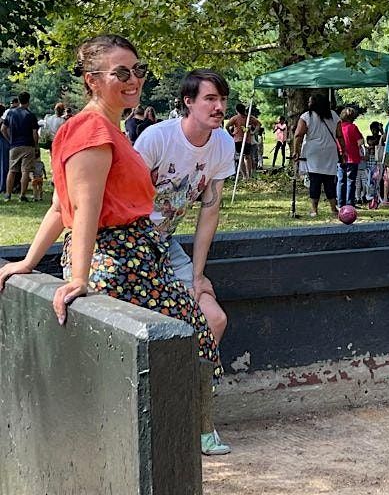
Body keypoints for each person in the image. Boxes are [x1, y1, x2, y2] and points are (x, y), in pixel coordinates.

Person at [0, 35, 222, 395]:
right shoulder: (93, 130)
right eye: (121, 72)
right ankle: (188, 434)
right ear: (92, 79)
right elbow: (81, 208)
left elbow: (60, 206)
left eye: (138, 70)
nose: (133, 80)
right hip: (121, 262)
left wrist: (28, 261)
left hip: (133, 259)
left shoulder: (101, 128)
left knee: (190, 337)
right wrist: (78, 279)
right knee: (189, 340)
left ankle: (189, 433)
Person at [134, 68, 235, 456]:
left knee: (215, 318)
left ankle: (198, 422)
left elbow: (209, 213)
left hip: (166, 244)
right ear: (188, 102)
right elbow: (121, 200)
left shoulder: (222, 144)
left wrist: (196, 275)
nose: (219, 107)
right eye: (210, 99)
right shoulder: (157, 138)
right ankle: (158, 422)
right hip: (130, 243)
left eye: (222, 100)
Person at [293, 94, 340, 217]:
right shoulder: (334, 115)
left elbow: (298, 135)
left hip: (313, 151)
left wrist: (296, 150)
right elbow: (339, 135)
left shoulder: (307, 116)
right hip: (330, 151)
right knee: (330, 180)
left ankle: (314, 209)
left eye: (309, 101)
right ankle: (333, 208)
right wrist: (343, 151)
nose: (308, 103)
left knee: (315, 180)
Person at [1, 92, 40, 201]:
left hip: (14, 145)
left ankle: (8, 194)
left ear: (18, 100)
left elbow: (3, 129)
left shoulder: (11, 113)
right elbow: (34, 133)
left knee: (12, 170)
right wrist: (36, 146)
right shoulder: (30, 115)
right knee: (25, 171)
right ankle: (22, 195)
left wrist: (10, 140)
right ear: (28, 101)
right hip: (28, 145)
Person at [336, 107, 364, 208]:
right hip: (352, 157)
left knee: (341, 180)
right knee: (351, 181)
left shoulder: (338, 127)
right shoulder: (353, 127)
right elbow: (360, 141)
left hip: (340, 156)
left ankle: (340, 202)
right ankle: (350, 203)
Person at [226, 104, 255, 179]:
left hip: (243, 140)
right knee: (246, 157)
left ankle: (247, 176)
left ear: (237, 110)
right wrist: (253, 132)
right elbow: (227, 126)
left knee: (243, 157)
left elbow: (227, 126)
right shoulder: (237, 118)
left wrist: (231, 134)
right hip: (241, 140)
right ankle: (247, 176)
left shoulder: (248, 118)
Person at [0, 104, 9, 195]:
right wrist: (9, 140)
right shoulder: (3, 121)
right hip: (2, 143)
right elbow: (4, 130)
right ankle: (2, 186)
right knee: (4, 165)